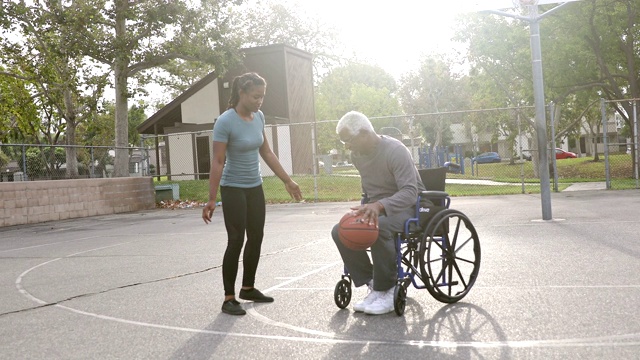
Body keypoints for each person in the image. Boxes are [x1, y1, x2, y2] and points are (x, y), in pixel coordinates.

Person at [202, 72, 303, 316]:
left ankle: (248, 287)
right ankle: (229, 298)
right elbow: (217, 161)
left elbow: (266, 152)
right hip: (233, 187)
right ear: (242, 93)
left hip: (254, 187)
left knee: (256, 237)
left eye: (262, 97)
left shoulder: (259, 118)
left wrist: (287, 181)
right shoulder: (225, 121)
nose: (260, 101)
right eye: (256, 96)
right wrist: (212, 198)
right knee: (236, 240)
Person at [331, 111, 439, 315]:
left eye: (349, 140)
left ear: (364, 133)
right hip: (379, 207)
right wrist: (368, 206)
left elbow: (409, 193)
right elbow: (371, 190)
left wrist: (379, 206)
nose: (347, 146)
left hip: (411, 207)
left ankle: (388, 291)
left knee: (379, 228)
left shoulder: (395, 150)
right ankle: (373, 283)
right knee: (339, 231)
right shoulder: (357, 156)